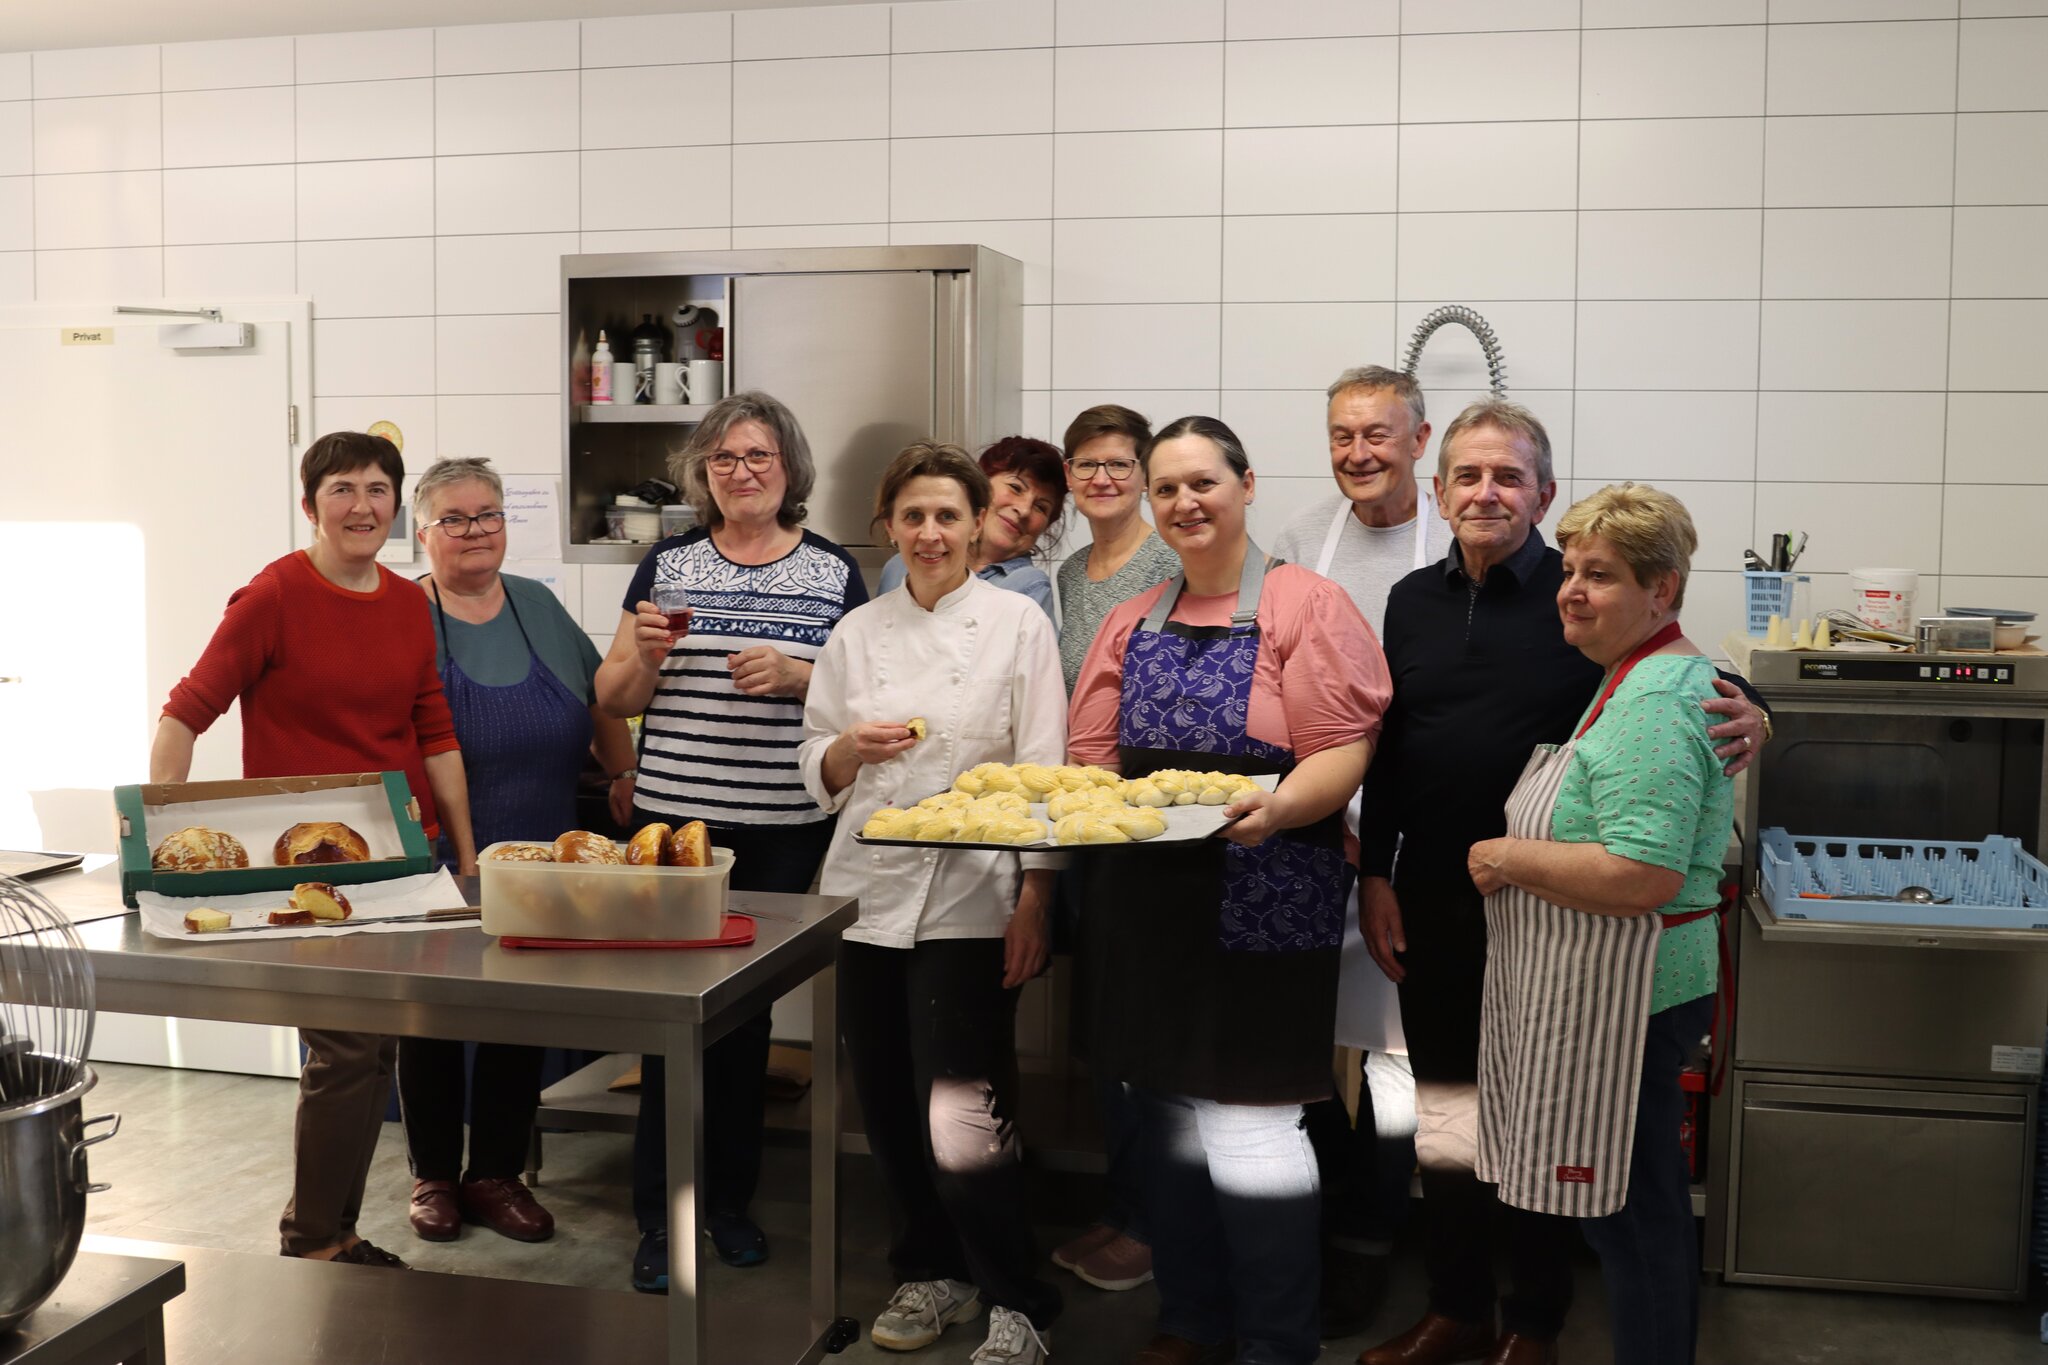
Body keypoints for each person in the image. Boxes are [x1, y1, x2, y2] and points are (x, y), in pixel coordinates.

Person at [1355, 401, 1765, 1365]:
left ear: (1542, 493)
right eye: (1467, 475)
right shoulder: (1411, 600)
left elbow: (1693, 685)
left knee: (1547, 1121)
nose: (1486, 492)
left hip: (1559, 912)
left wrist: (1761, 712)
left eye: (1508, 476)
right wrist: (1378, 871)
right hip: (1436, 901)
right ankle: (1456, 1305)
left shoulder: (1580, 594)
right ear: (1439, 487)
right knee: (1450, 1113)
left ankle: (1531, 1325)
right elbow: (1393, 746)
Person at [1068, 416, 1390, 1365]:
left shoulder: (1304, 604)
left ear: (1247, 485)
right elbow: (1091, 761)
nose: (1184, 503)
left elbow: (1343, 750)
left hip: (1268, 886)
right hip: (1148, 900)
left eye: (1203, 482)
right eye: (1166, 489)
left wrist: (1280, 809)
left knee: (1252, 1125)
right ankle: (1192, 1318)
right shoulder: (1135, 617)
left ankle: (1278, 1341)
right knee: (1165, 1117)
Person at [152, 430, 477, 1271]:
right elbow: (186, 712)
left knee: (379, 1049)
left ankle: (332, 1229)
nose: (362, 505)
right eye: (342, 489)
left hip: (403, 857)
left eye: (377, 489)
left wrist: (464, 852)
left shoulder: (412, 603)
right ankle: (312, 1240)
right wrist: (164, 840)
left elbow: (432, 730)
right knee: (343, 1049)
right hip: (304, 868)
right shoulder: (273, 596)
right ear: (310, 505)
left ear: (396, 506)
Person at [798, 441, 1067, 1365]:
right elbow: (815, 764)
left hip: (973, 892)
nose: (929, 532)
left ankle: (1013, 1297)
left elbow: (1043, 772)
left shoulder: (1016, 625)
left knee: (963, 1111)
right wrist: (849, 752)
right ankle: (932, 1270)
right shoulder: (856, 631)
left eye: (947, 515)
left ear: (978, 522)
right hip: (865, 893)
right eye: (911, 515)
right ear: (888, 526)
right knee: (882, 1099)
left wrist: (1036, 897)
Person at [594, 390, 868, 1289]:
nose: (741, 473)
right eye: (723, 461)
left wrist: (801, 675)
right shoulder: (667, 565)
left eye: (757, 457)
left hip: (785, 827)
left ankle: (728, 1204)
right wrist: (643, 655)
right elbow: (616, 698)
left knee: (746, 1027)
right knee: (667, 1022)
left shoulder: (833, 573)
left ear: (789, 468)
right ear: (701, 475)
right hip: (678, 829)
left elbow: (860, 702)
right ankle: (658, 1219)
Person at [1468, 484, 1731, 1365]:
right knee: (1629, 1211)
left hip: (1638, 994)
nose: (1572, 590)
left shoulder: (1655, 697)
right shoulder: (1633, 676)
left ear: (1665, 590)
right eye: (1571, 569)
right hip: (1625, 987)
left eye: (1602, 575)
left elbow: (1641, 873)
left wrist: (1504, 857)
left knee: (1636, 1217)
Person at [397, 457, 639, 1248]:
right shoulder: (403, 613)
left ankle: (495, 1172)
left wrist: (623, 771)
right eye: (455, 519)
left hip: (536, 848)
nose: (475, 531)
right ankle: (433, 1175)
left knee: (517, 1015)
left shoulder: (536, 603)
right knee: (429, 1018)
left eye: (489, 515)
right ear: (423, 532)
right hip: (435, 858)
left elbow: (600, 694)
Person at [1267, 366, 1431, 1336]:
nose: (1358, 453)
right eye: (1341, 435)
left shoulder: (1457, 540)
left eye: (1377, 434)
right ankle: (1328, 1222)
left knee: (1392, 1058)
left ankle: (1369, 1242)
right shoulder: (1299, 542)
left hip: (1410, 832)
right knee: (1291, 1039)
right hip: (1307, 823)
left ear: (1419, 439)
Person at [1045, 403, 1181, 1295]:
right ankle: (1127, 1202)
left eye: (1119, 464)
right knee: (1105, 1030)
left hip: (1149, 828)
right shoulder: (1066, 569)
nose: (1102, 478)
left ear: (1143, 473)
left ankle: (1158, 1222)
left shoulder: (1167, 560)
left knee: (1151, 1034)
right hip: (1081, 822)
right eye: (1086, 464)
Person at [877, 435, 1063, 617]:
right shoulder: (898, 567)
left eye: (1041, 507)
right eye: (1015, 488)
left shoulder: (1030, 587)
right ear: (980, 486)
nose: (1023, 510)